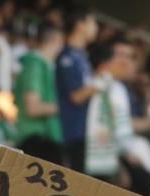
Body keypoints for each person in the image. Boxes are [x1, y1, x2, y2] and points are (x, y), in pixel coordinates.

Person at [84, 39, 137, 183]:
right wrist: (125, 154)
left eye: (129, 56)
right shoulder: (98, 84)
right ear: (105, 62)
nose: (124, 61)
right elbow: (109, 123)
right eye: (120, 55)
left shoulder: (118, 87)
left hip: (111, 155)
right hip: (101, 155)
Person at [12, 22, 64, 165]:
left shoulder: (43, 65)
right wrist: (66, 108)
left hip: (44, 138)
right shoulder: (35, 65)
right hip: (35, 138)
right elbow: (32, 108)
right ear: (56, 40)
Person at [54, 8, 96, 174]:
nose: (96, 28)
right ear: (80, 25)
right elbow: (77, 96)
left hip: (86, 131)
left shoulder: (82, 56)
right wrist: (100, 84)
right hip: (73, 132)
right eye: (92, 23)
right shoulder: (67, 57)